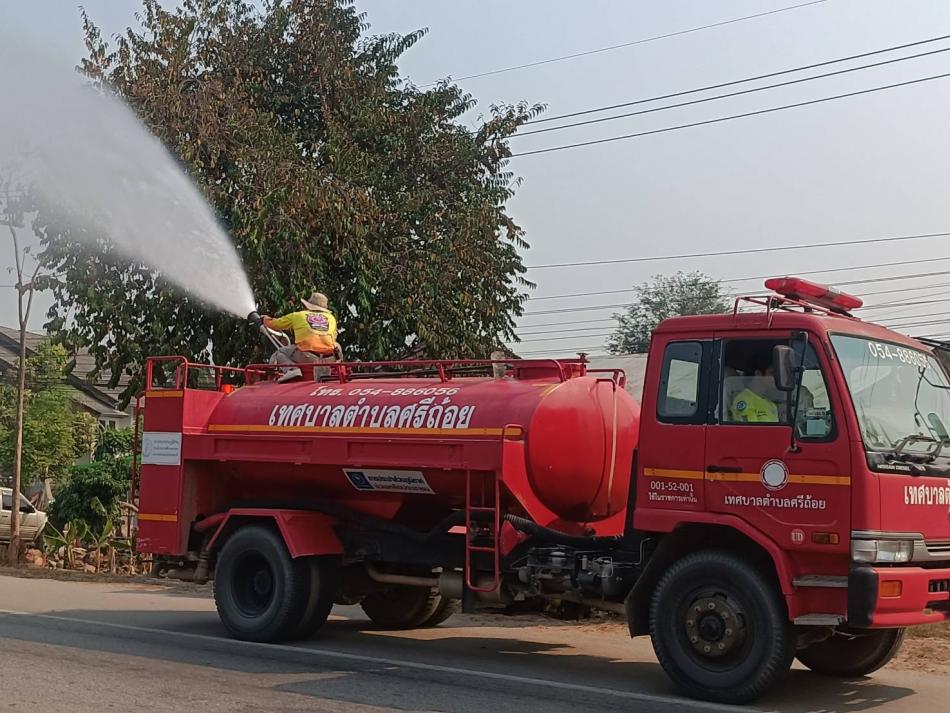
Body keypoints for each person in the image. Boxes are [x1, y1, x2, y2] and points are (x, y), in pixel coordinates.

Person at [261, 291, 341, 380]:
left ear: (308, 305)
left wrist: (264, 319)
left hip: (308, 357)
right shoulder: (331, 318)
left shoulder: (298, 315)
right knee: (337, 345)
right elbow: (333, 338)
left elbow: (274, 324)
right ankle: (339, 369)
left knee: (279, 353)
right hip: (330, 358)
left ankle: (292, 370)